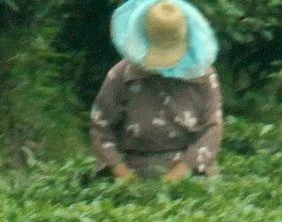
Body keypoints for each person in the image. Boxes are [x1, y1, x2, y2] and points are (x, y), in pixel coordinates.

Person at [91, 0, 223, 184]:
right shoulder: (120, 75)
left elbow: (212, 129)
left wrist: (181, 172)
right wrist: (121, 171)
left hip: (191, 172)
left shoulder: (204, 77)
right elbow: (101, 126)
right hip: (131, 169)